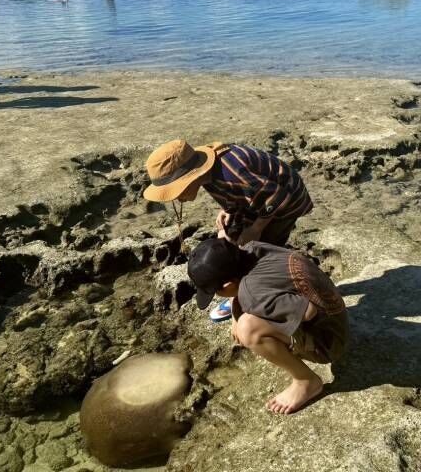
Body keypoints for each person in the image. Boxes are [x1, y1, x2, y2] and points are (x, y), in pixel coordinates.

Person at [144, 139, 314, 321]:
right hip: (258, 200)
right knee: (229, 239)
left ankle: (264, 295)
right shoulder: (208, 173)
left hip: (285, 203)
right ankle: (240, 290)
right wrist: (227, 208)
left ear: (191, 177)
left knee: (261, 247)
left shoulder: (231, 175)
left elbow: (276, 196)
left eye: (176, 192)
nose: (178, 199)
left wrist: (256, 229)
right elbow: (242, 192)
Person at [187, 238, 349, 414]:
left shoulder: (252, 294)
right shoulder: (252, 248)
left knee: (248, 329)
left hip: (330, 342)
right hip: (335, 313)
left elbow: (308, 312)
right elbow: (255, 286)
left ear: (228, 284)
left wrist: (255, 316)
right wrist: (236, 311)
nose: (217, 296)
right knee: (245, 318)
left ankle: (306, 381)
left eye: (216, 292)